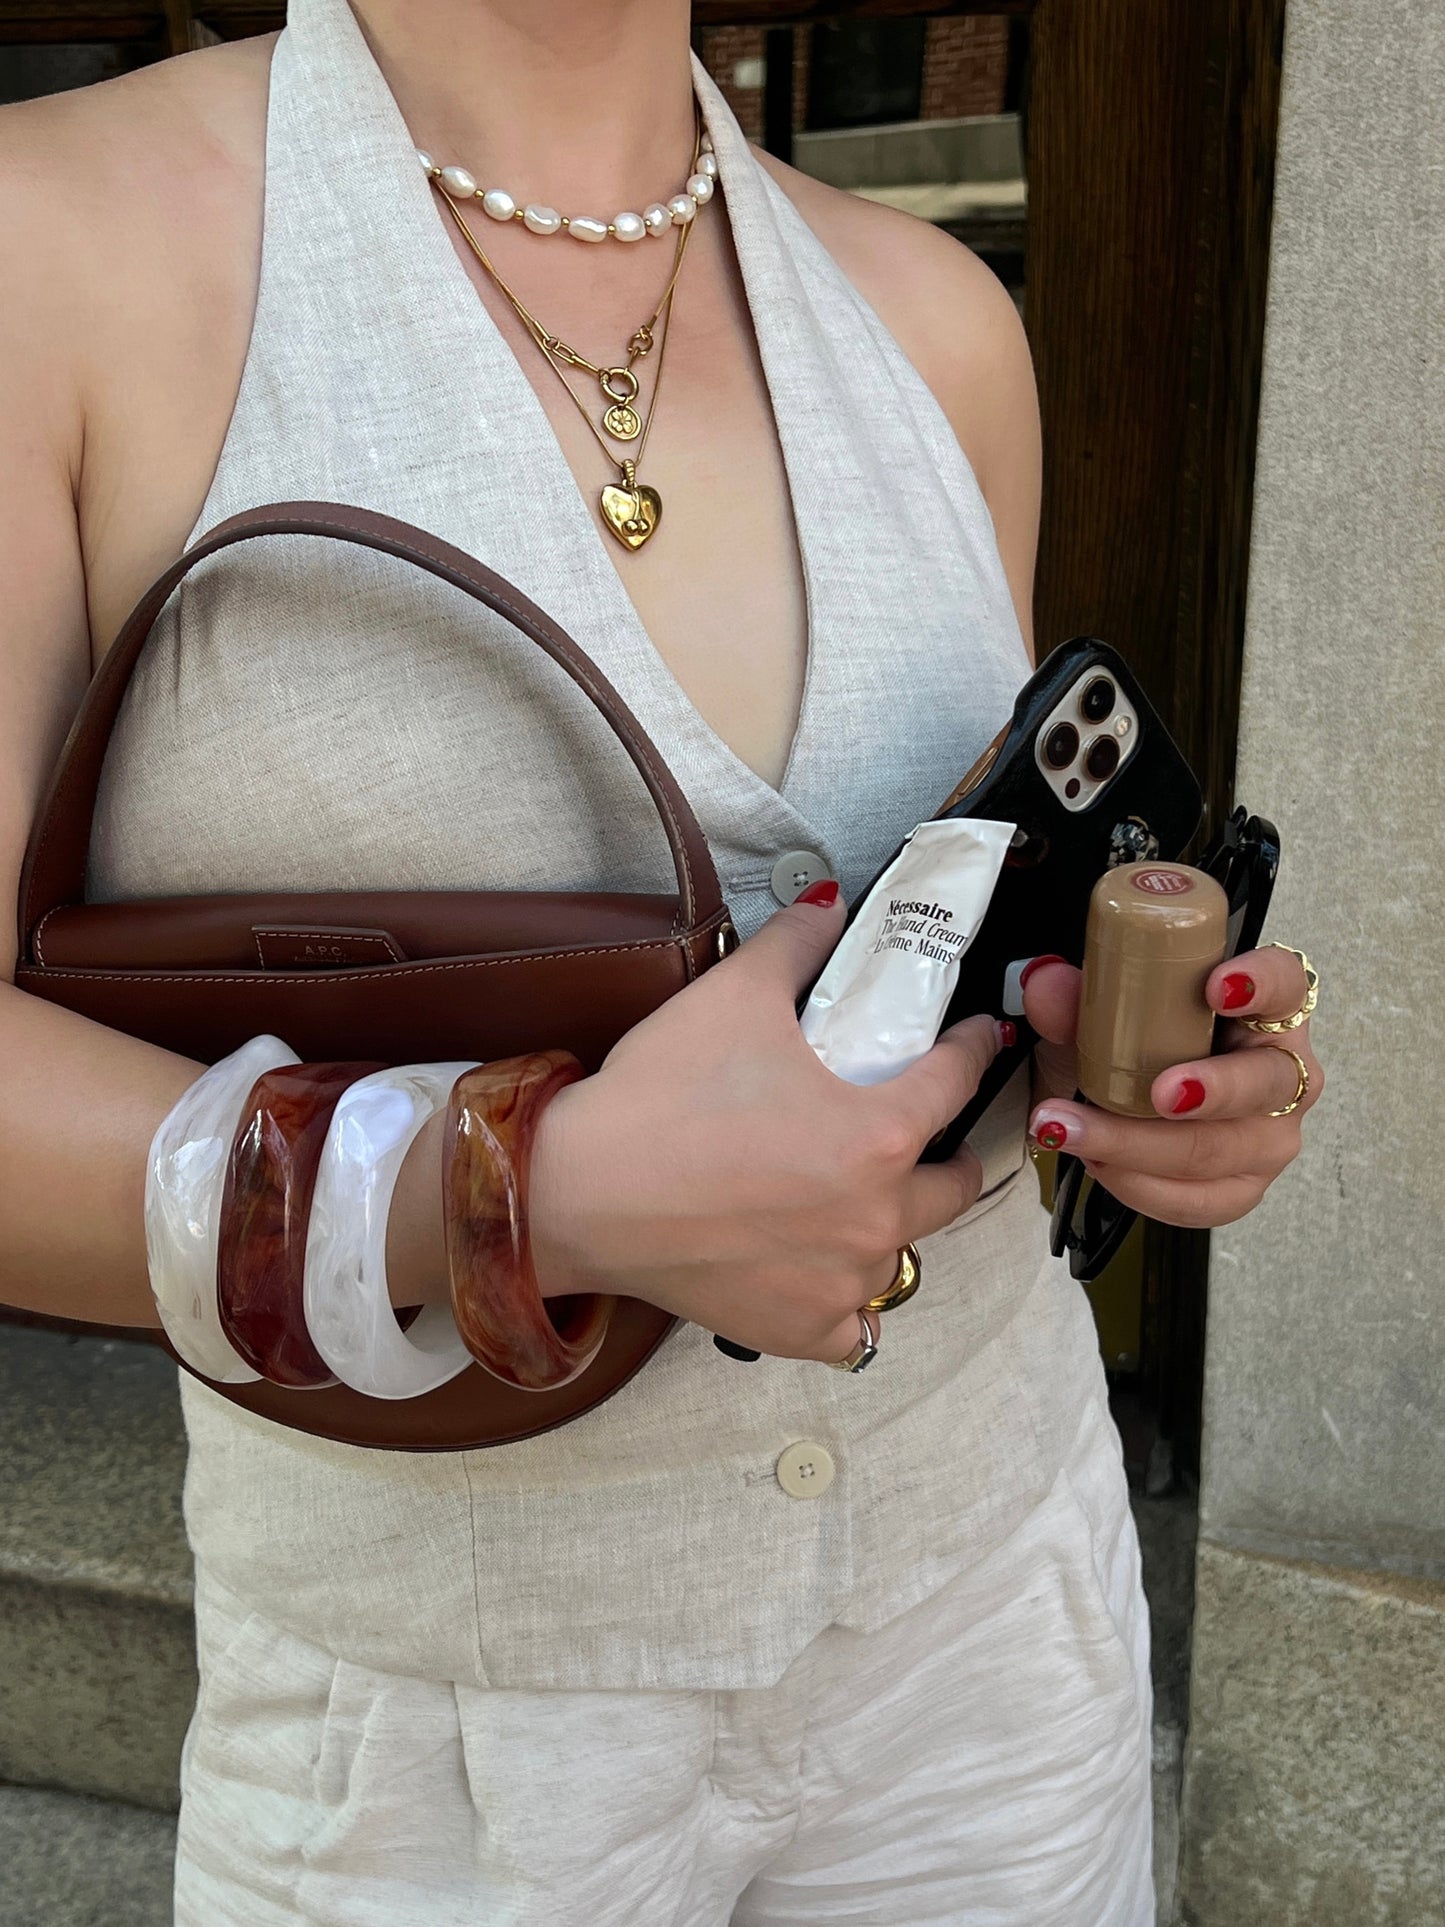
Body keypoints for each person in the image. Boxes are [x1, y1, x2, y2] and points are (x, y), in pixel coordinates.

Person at [0, 3, 1323, 1921]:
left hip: (997, 1650)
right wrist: (536, 1188)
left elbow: (936, 958)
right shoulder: (56, 247)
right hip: (441, 1747)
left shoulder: (938, 318)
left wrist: (1143, 1090)